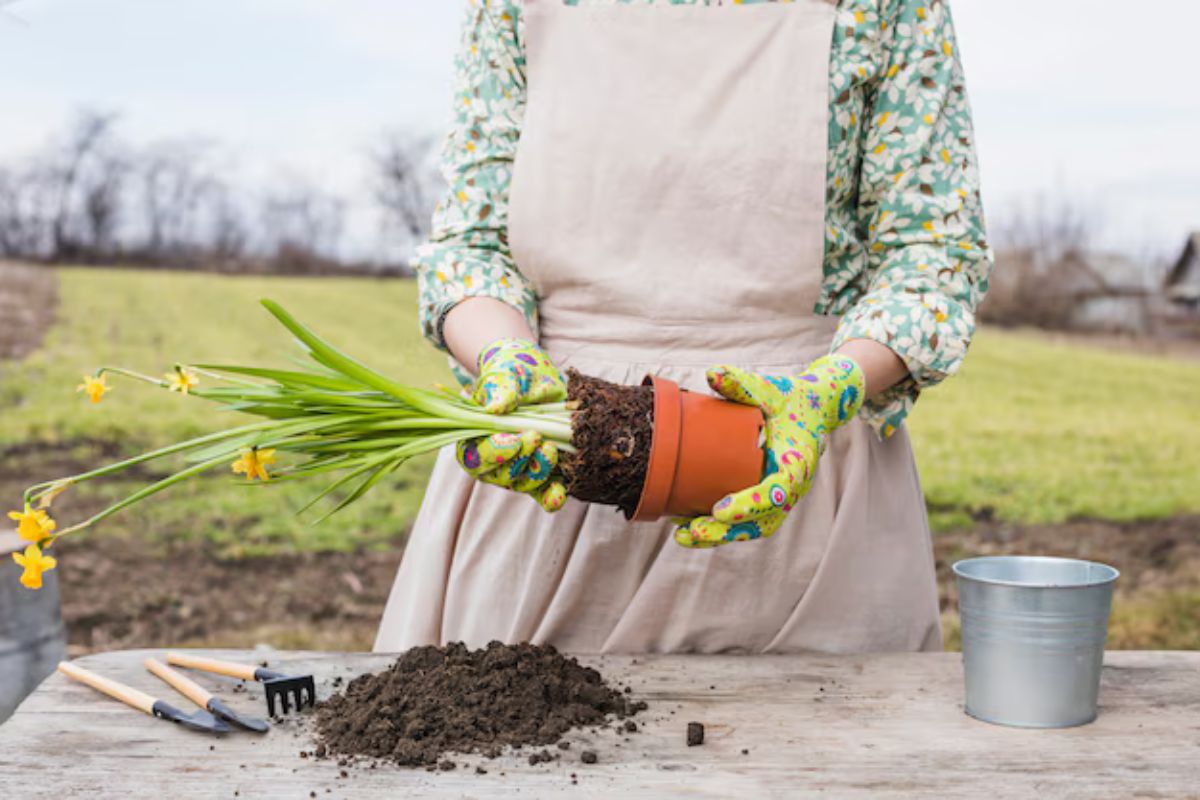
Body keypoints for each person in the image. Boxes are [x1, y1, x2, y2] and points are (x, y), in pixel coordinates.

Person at [376, 0, 991, 655]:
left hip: (797, 486)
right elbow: (473, 244)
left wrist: (827, 392)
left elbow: (931, 256)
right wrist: (505, 360)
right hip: (549, 465)